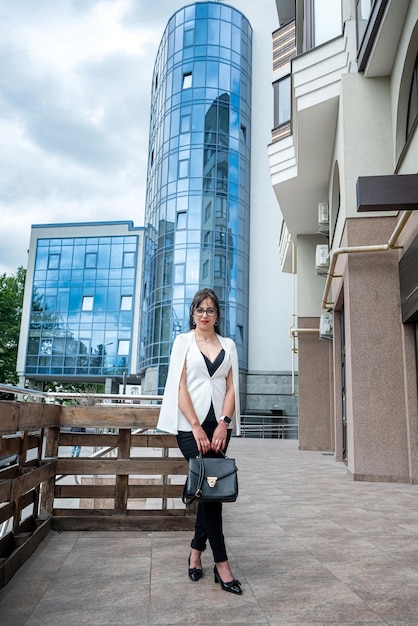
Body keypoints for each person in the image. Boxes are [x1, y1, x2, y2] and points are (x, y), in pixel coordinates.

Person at [157, 288, 242, 595]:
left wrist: (224, 422)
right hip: (189, 426)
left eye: (210, 310)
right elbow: (179, 386)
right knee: (211, 492)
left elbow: (231, 387)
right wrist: (195, 426)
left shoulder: (229, 345)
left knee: (209, 490)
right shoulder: (183, 342)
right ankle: (222, 564)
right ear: (192, 313)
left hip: (219, 425)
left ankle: (195, 552)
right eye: (199, 310)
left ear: (218, 315)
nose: (205, 315)